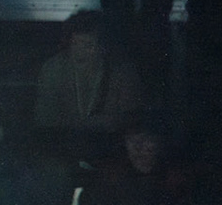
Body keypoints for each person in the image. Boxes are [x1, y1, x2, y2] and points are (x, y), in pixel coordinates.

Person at [32, 10, 142, 164]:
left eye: (88, 45)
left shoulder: (121, 71)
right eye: (75, 43)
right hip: (64, 149)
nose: (79, 51)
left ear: (103, 47)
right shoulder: (53, 69)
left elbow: (130, 120)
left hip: (111, 152)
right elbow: (45, 119)